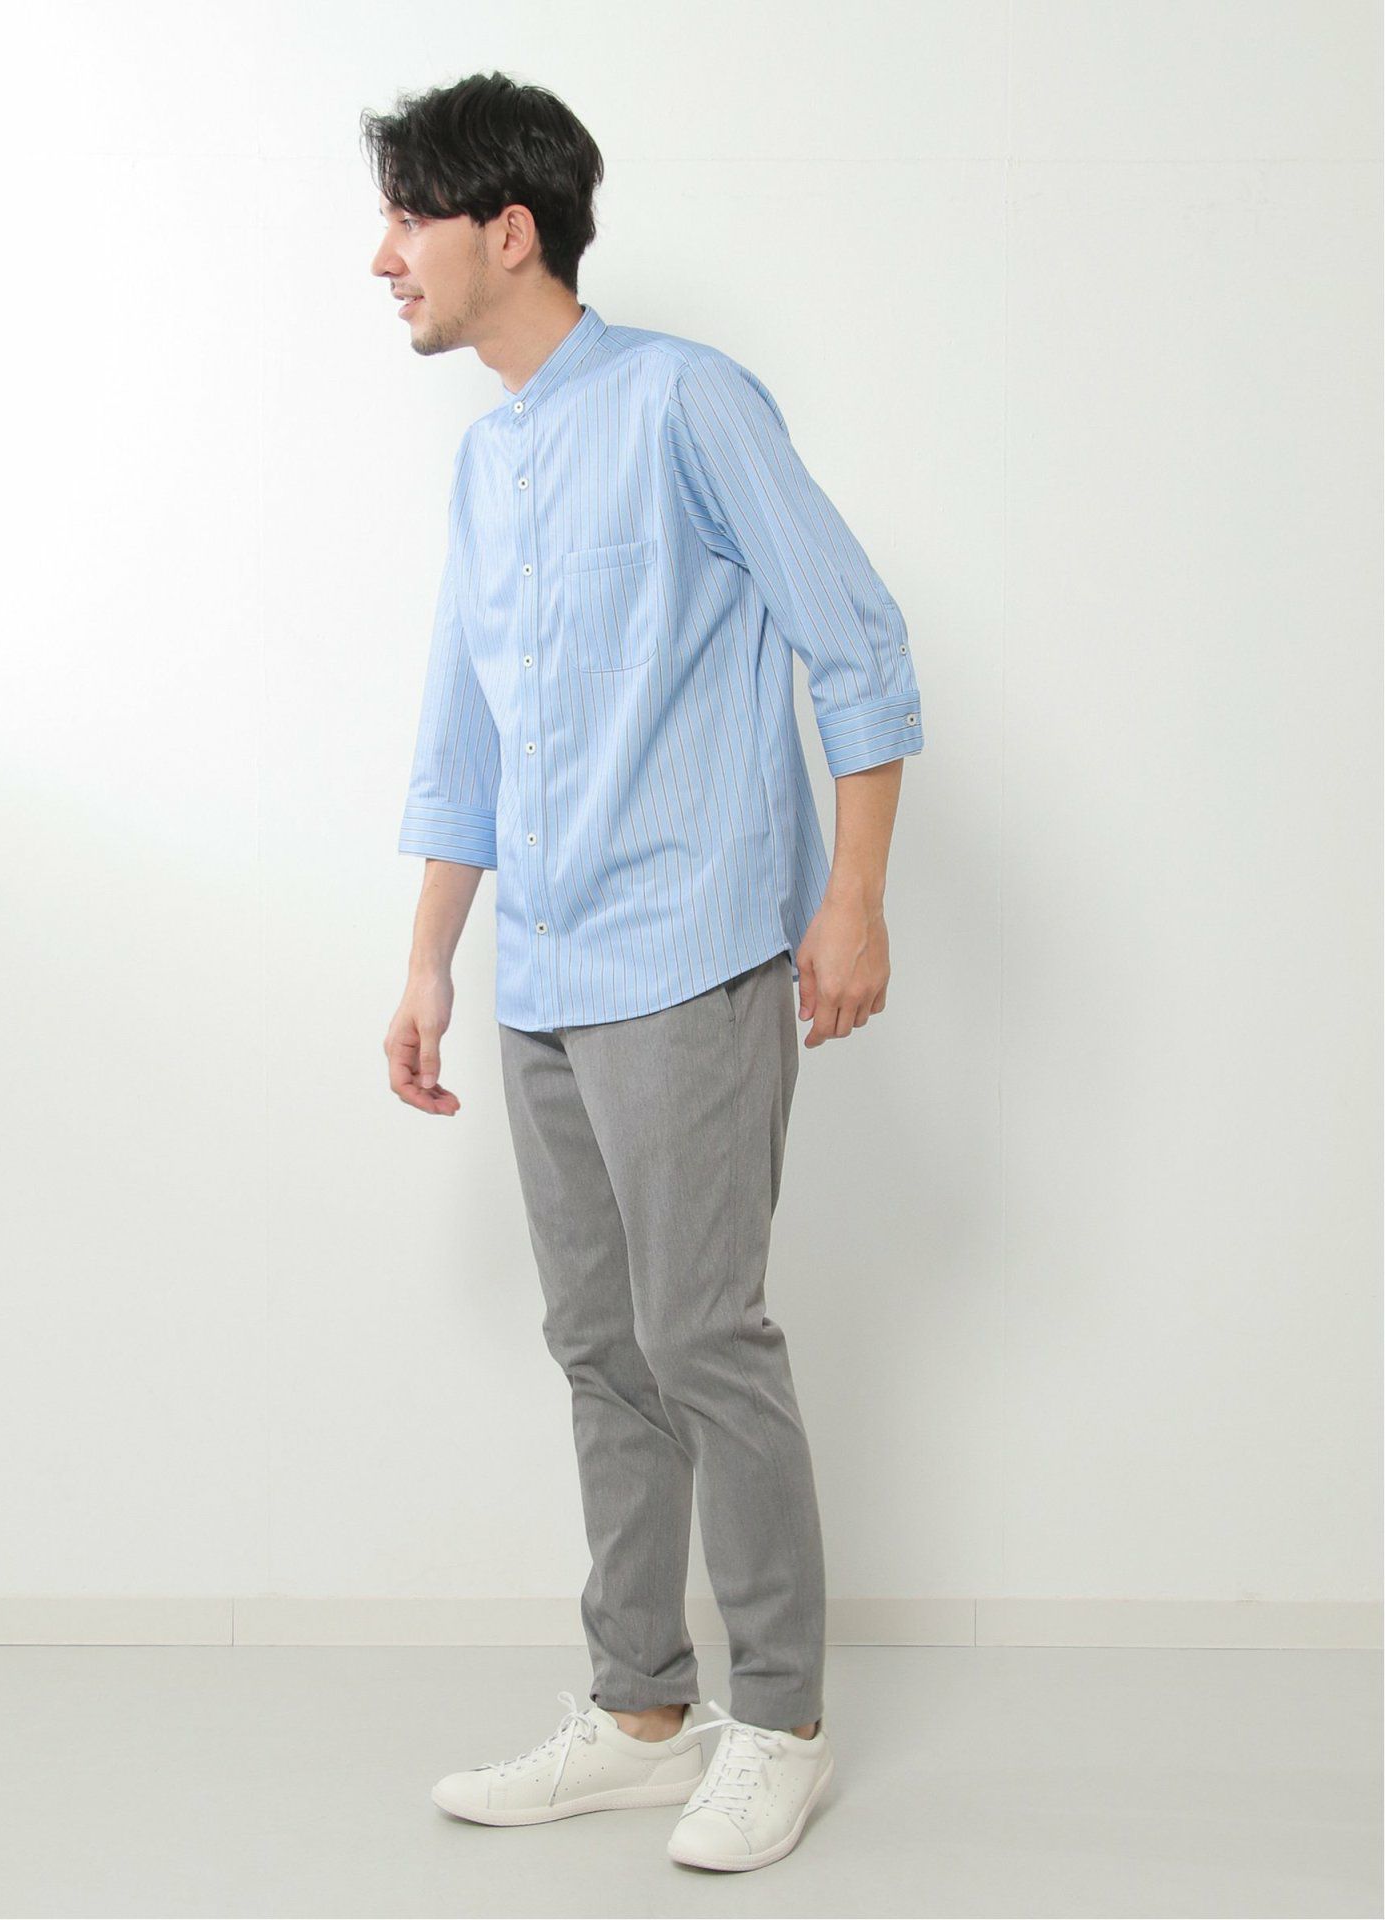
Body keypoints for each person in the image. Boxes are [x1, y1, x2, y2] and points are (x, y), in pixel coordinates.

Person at [365, 69, 924, 1875]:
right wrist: (431, 960)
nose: (384, 258)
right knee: (602, 1350)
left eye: (409, 220)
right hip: (541, 972)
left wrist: (853, 902)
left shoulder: (688, 400)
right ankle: (638, 1713)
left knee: (703, 1339)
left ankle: (782, 1725)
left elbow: (857, 641)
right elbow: (465, 728)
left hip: (691, 954)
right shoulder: (486, 457)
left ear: (507, 229)